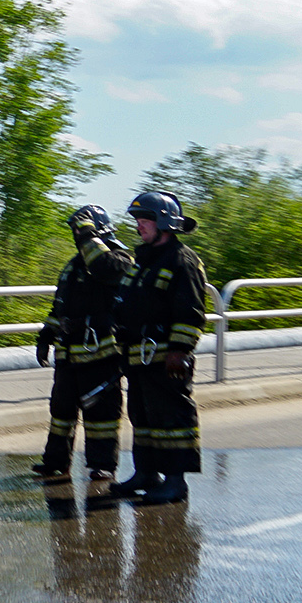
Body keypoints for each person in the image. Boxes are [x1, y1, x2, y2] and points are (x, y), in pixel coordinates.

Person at [114, 191, 207, 503]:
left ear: (164, 222)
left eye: (144, 220)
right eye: (138, 220)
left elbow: (191, 312)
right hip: (138, 356)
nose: (138, 226)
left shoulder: (183, 261)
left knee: (171, 418)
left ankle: (175, 481)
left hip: (166, 356)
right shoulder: (143, 262)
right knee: (143, 418)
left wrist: (180, 350)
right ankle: (146, 473)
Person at [34, 205, 131, 483]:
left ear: (97, 230)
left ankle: (103, 465)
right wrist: (47, 335)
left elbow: (105, 269)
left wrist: (91, 239)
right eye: (76, 231)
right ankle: (55, 461)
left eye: (82, 229)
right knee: (61, 411)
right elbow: (60, 306)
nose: (77, 235)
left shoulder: (119, 259)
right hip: (69, 354)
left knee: (101, 414)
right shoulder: (74, 265)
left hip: (100, 353)